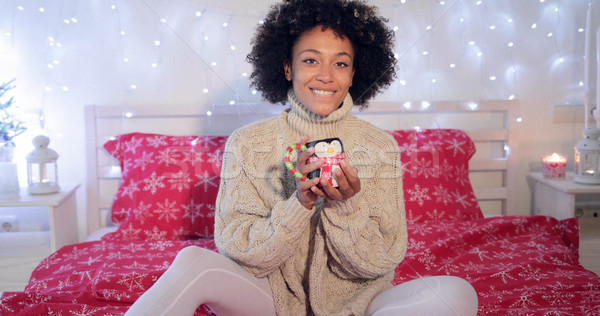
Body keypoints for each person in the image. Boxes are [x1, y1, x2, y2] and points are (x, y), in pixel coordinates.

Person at [124, 0, 478, 315]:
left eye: (340, 63)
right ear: (287, 68)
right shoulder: (247, 143)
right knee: (192, 262)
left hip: (361, 304)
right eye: (310, 60)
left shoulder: (381, 146)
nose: (325, 75)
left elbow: (379, 261)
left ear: (354, 73)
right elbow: (240, 251)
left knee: (457, 293)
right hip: (272, 300)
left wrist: (345, 207)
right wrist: (299, 203)